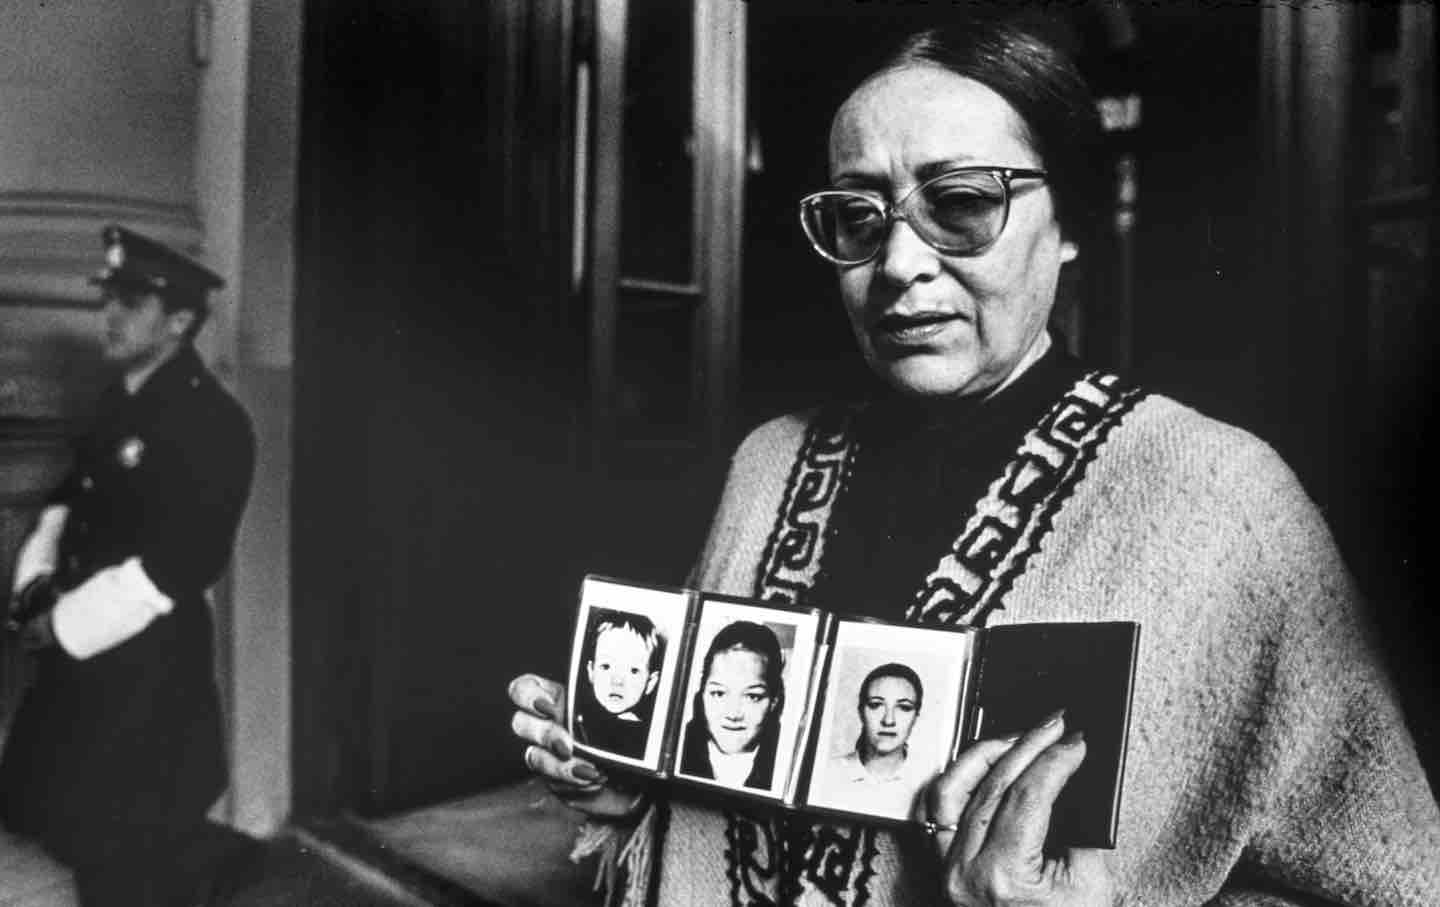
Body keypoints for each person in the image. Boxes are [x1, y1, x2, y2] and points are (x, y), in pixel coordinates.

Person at [509, 15, 1440, 907]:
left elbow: (1391, 883)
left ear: (1068, 224)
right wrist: (632, 794)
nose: (901, 263)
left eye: (959, 204)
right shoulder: (766, 466)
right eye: (858, 217)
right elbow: (718, 801)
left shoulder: (1222, 500)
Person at [1, 225, 259, 906]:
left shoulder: (214, 423)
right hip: (80, 672)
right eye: (108, 296)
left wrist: (59, 625)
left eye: (133, 301)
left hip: (148, 680)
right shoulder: (117, 402)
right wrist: (32, 590)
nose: (109, 314)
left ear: (180, 320)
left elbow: (179, 564)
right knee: (80, 844)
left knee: (132, 867)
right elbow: (65, 503)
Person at [676, 621, 784, 792]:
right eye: (719, 694)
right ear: (702, 693)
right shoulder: (676, 750)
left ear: (774, 701)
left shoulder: (785, 765)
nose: (733, 714)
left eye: (752, 696)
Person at [814, 663, 929, 819]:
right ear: (861, 711)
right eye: (876, 705)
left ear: (916, 717)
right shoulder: (825, 774)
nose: (889, 720)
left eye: (904, 707)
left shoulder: (929, 783)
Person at [576, 611, 664, 759]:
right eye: (606, 666)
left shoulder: (648, 737)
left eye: (633, 671)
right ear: (591, 671)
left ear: (651, 683)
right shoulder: (578, 720)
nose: (617, 681)